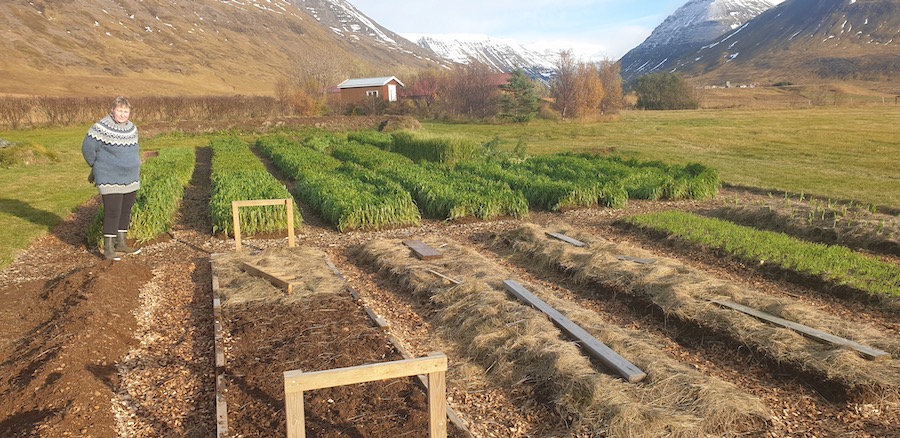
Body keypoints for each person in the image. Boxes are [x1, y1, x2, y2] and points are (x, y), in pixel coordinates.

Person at [82, 96, 142, 261]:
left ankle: (121, 243)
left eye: (126, 111)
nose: (123, 114)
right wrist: (96, 167)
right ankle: (108, 248)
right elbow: (87, 148)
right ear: (112, 110)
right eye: (119, 110)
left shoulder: (132, 128)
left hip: (131, 177)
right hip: (110, 176)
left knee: (125, 210)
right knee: (113, 211)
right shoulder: (100, 127)